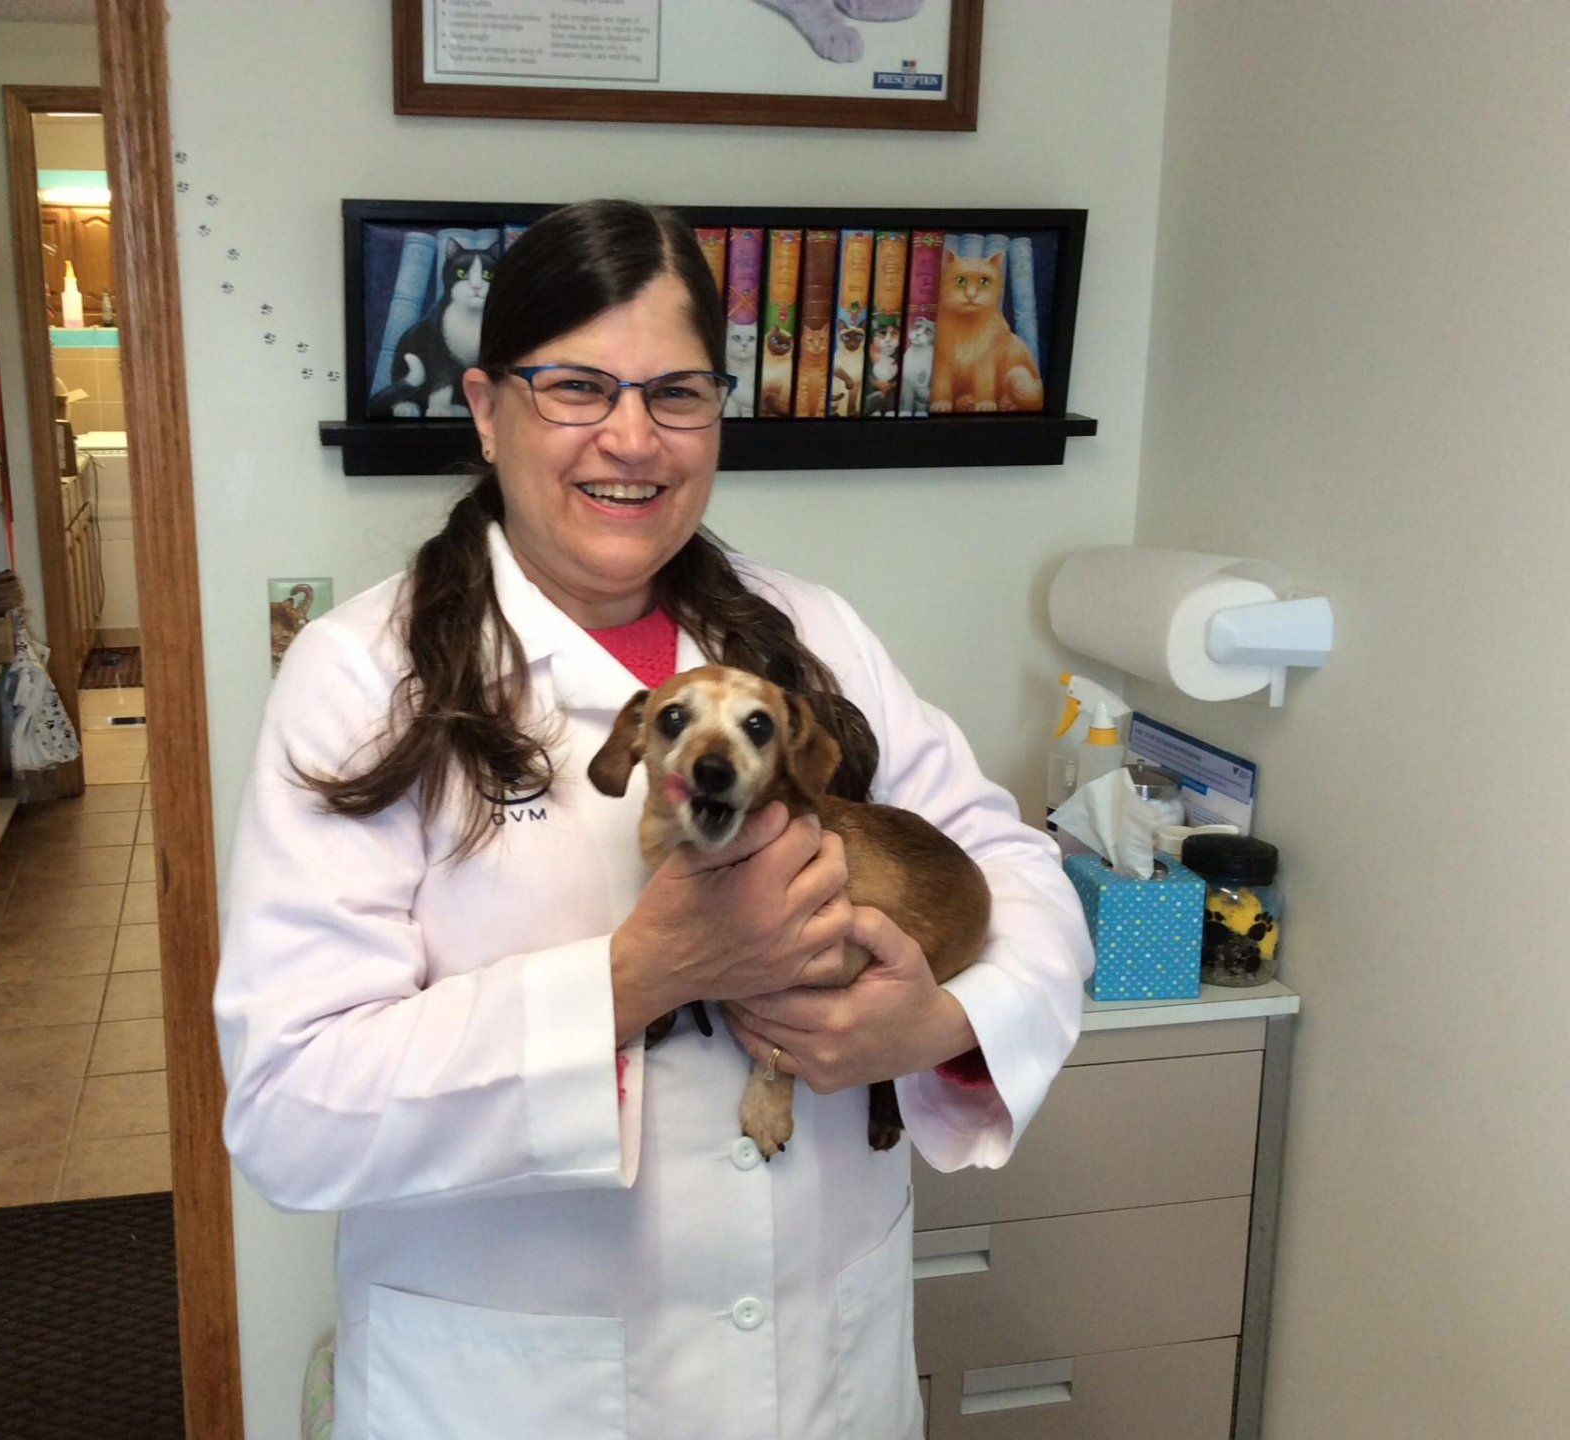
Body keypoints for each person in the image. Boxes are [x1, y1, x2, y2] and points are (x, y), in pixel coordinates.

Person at [216, 200, 1093, 1440]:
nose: (631, 439)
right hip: (516, 1395)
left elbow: (1014, 867)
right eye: (576, 387)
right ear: (484, 407)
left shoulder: (815, 636)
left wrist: (939, 1022)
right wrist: (635, 980)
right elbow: (290, 1108)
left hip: (819, 1376)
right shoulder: (363, 676)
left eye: (676, 394)